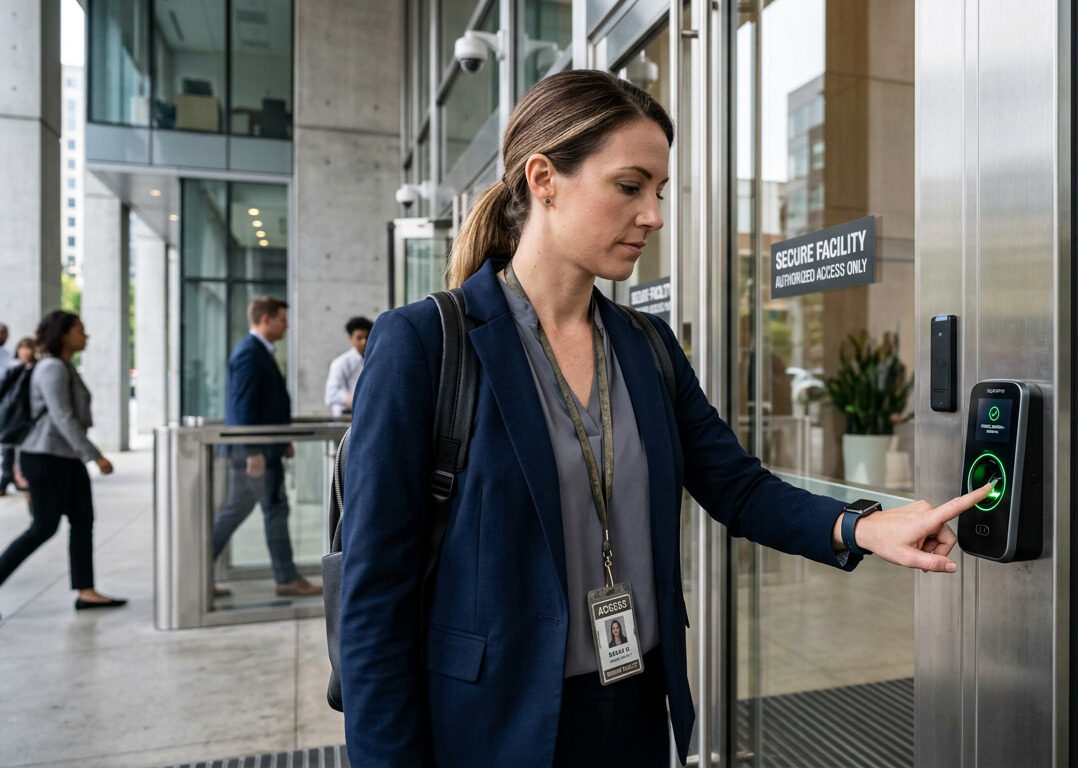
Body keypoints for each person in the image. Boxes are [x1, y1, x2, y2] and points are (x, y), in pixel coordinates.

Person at [338, 70, 992, 768]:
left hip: (634, 708)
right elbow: (375, 603)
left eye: (659, 192)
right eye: (630, 186)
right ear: (543, 178)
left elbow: (735, 487)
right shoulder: (426, 344)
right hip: (492, 726)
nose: (652, 214)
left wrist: (861, 525)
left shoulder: (644, 345)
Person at [0, 312, 126, 610]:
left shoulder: (64, 366)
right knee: (43, 527)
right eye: (80, 331)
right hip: (46, 458)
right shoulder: (52, 368)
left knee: (83, 521)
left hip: (64, 458)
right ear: (64, 334)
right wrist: (95, 455)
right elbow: (63, 418)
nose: (86, 336)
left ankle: (85, 590)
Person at [210, 297, 321, 597]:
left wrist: (281, 441)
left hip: (263, 448)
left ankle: (196, 573)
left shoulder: (259, 351)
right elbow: (244, 407)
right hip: (254, 453)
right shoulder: (250, 353)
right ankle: (286, 578)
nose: (287, 325)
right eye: (283, 319)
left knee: (247, 511)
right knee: (272, 510)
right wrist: (254, 451)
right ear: (266, 320)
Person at [0, 338, 37, 495]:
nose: (26, 352)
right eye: (23, 348)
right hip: (10, 415)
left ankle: (17, 478)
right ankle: (6, 479)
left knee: (21, 451)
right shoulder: (13, 369)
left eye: (29, 348)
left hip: (27, 416)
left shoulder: (36, 370)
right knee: (8, 449)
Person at [324, 316, 372, 417]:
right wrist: (353, 398)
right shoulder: (341, 363)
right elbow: (331, 395)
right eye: (359, 338)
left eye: (367, 337)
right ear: (351, 339)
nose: (364, 342)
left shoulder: (374, 361)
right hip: (345, 417)